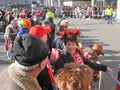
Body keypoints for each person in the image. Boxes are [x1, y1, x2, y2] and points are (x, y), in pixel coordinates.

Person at [29, 25, 57, 90]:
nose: (47, 35)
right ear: (41, 38)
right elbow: (41, 77)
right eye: (45, 33)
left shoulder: (39, 49)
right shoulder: (38, 56)